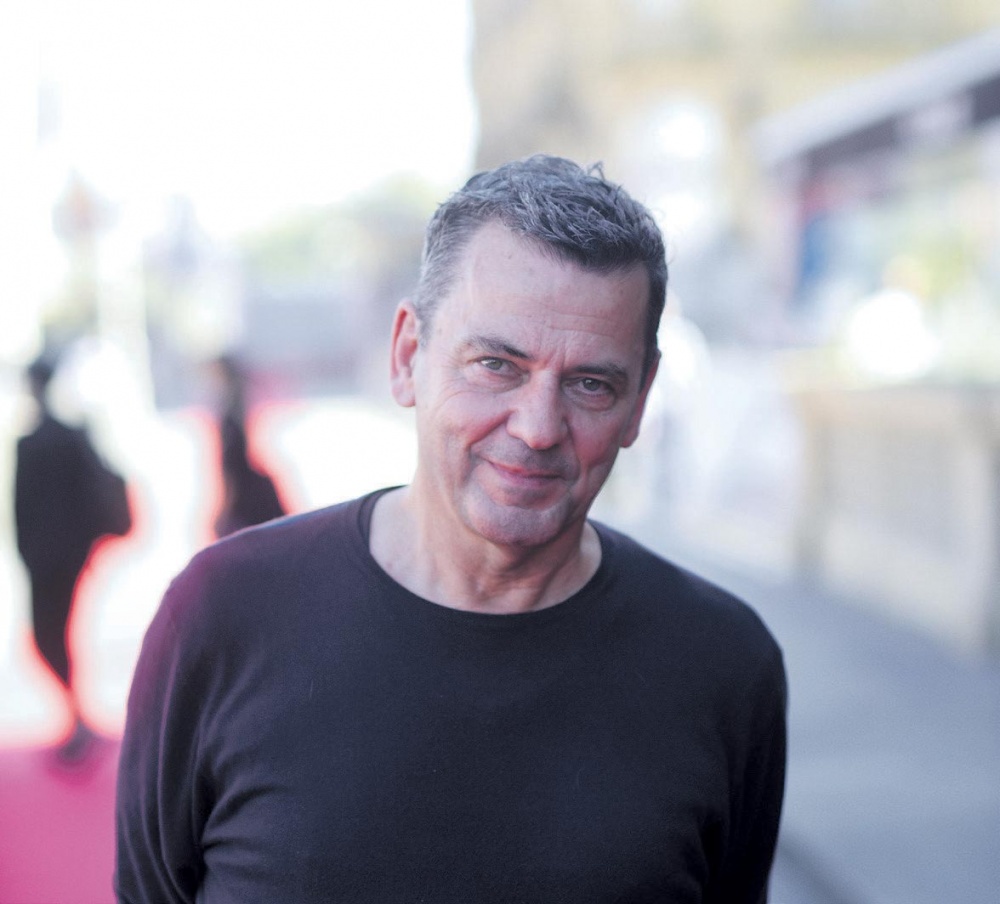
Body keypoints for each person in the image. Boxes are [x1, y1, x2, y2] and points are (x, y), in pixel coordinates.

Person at [115, 155, 786, 903]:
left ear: (640, 402)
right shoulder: (223, 615)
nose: (538, 428)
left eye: (591, 384)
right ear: (409, 357)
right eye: (496, 365)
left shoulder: (724, 665)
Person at [14, 356, 117, 763]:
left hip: (49, 559)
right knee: (53, 637)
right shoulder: (66, 437)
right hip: (63, 556)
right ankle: (77, 716)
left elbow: (24, 511)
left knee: (49, 636)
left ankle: (77, 717)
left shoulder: (37, 443)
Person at [209, 353, 286, 539]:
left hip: (245, 496)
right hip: (247, 494)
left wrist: (227, 508)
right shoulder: (233, 411)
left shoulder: (231, 417)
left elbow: (233, 464)